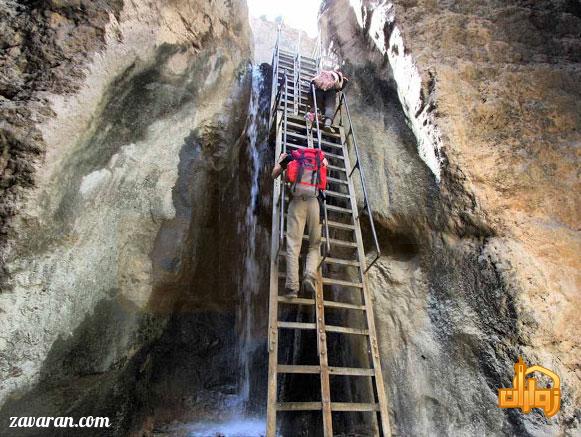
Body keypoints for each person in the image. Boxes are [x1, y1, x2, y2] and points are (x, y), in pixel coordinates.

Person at [272, 150, 328, 298]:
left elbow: (274, 174)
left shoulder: (291, 158)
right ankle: (309, 275)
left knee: (293, 245)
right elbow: (326, 171)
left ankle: (292, 287)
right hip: (314, 204)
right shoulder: (319, 159)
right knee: (314, 245)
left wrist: (280, 160)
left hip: (297, 203)